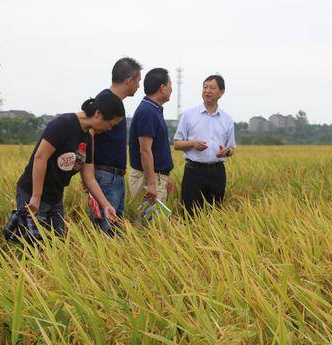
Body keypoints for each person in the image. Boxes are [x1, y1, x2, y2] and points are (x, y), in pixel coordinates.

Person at [14, 91, 125, 237]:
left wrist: (106, 205)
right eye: (110, 124)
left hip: (55, 197)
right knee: (31, 247)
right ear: (98, 114)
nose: (109, 129)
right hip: (32, 193)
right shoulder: (63, 124)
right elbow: (40, 157)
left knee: (57, 244)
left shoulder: (88, 137)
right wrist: (36, 197)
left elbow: (89, 178)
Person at [90, 57, 143, 235]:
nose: (138, 86)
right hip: (105, 177)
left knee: (115, 231)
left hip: (115, 177)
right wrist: (88, 175)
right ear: (130, 80)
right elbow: (89, 133)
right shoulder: (105, 100)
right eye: (138, 82)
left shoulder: (115, 102)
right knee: (104, 232)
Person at [173, 75, 236, 215]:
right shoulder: (188, 115)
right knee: (189, 214)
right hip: (194, 172)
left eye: (212, 88)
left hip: (217, 172)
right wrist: (193, 143)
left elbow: (232, 149)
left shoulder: (227, 119)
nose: (207, 91)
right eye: (205, 87)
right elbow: (176, 144)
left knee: (215, 214)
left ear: (221, 92)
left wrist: (226, 152)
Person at [128, 68, 174, 204]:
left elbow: (157, 149)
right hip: (148, 179)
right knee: (149, 223)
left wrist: (166, 175)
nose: (171, 89)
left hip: (155, 177)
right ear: (162, 87)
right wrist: (152, 184)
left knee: (154, 223)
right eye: (170, 84)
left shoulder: (153, 109)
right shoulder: (148, 112)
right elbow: (145, 150)